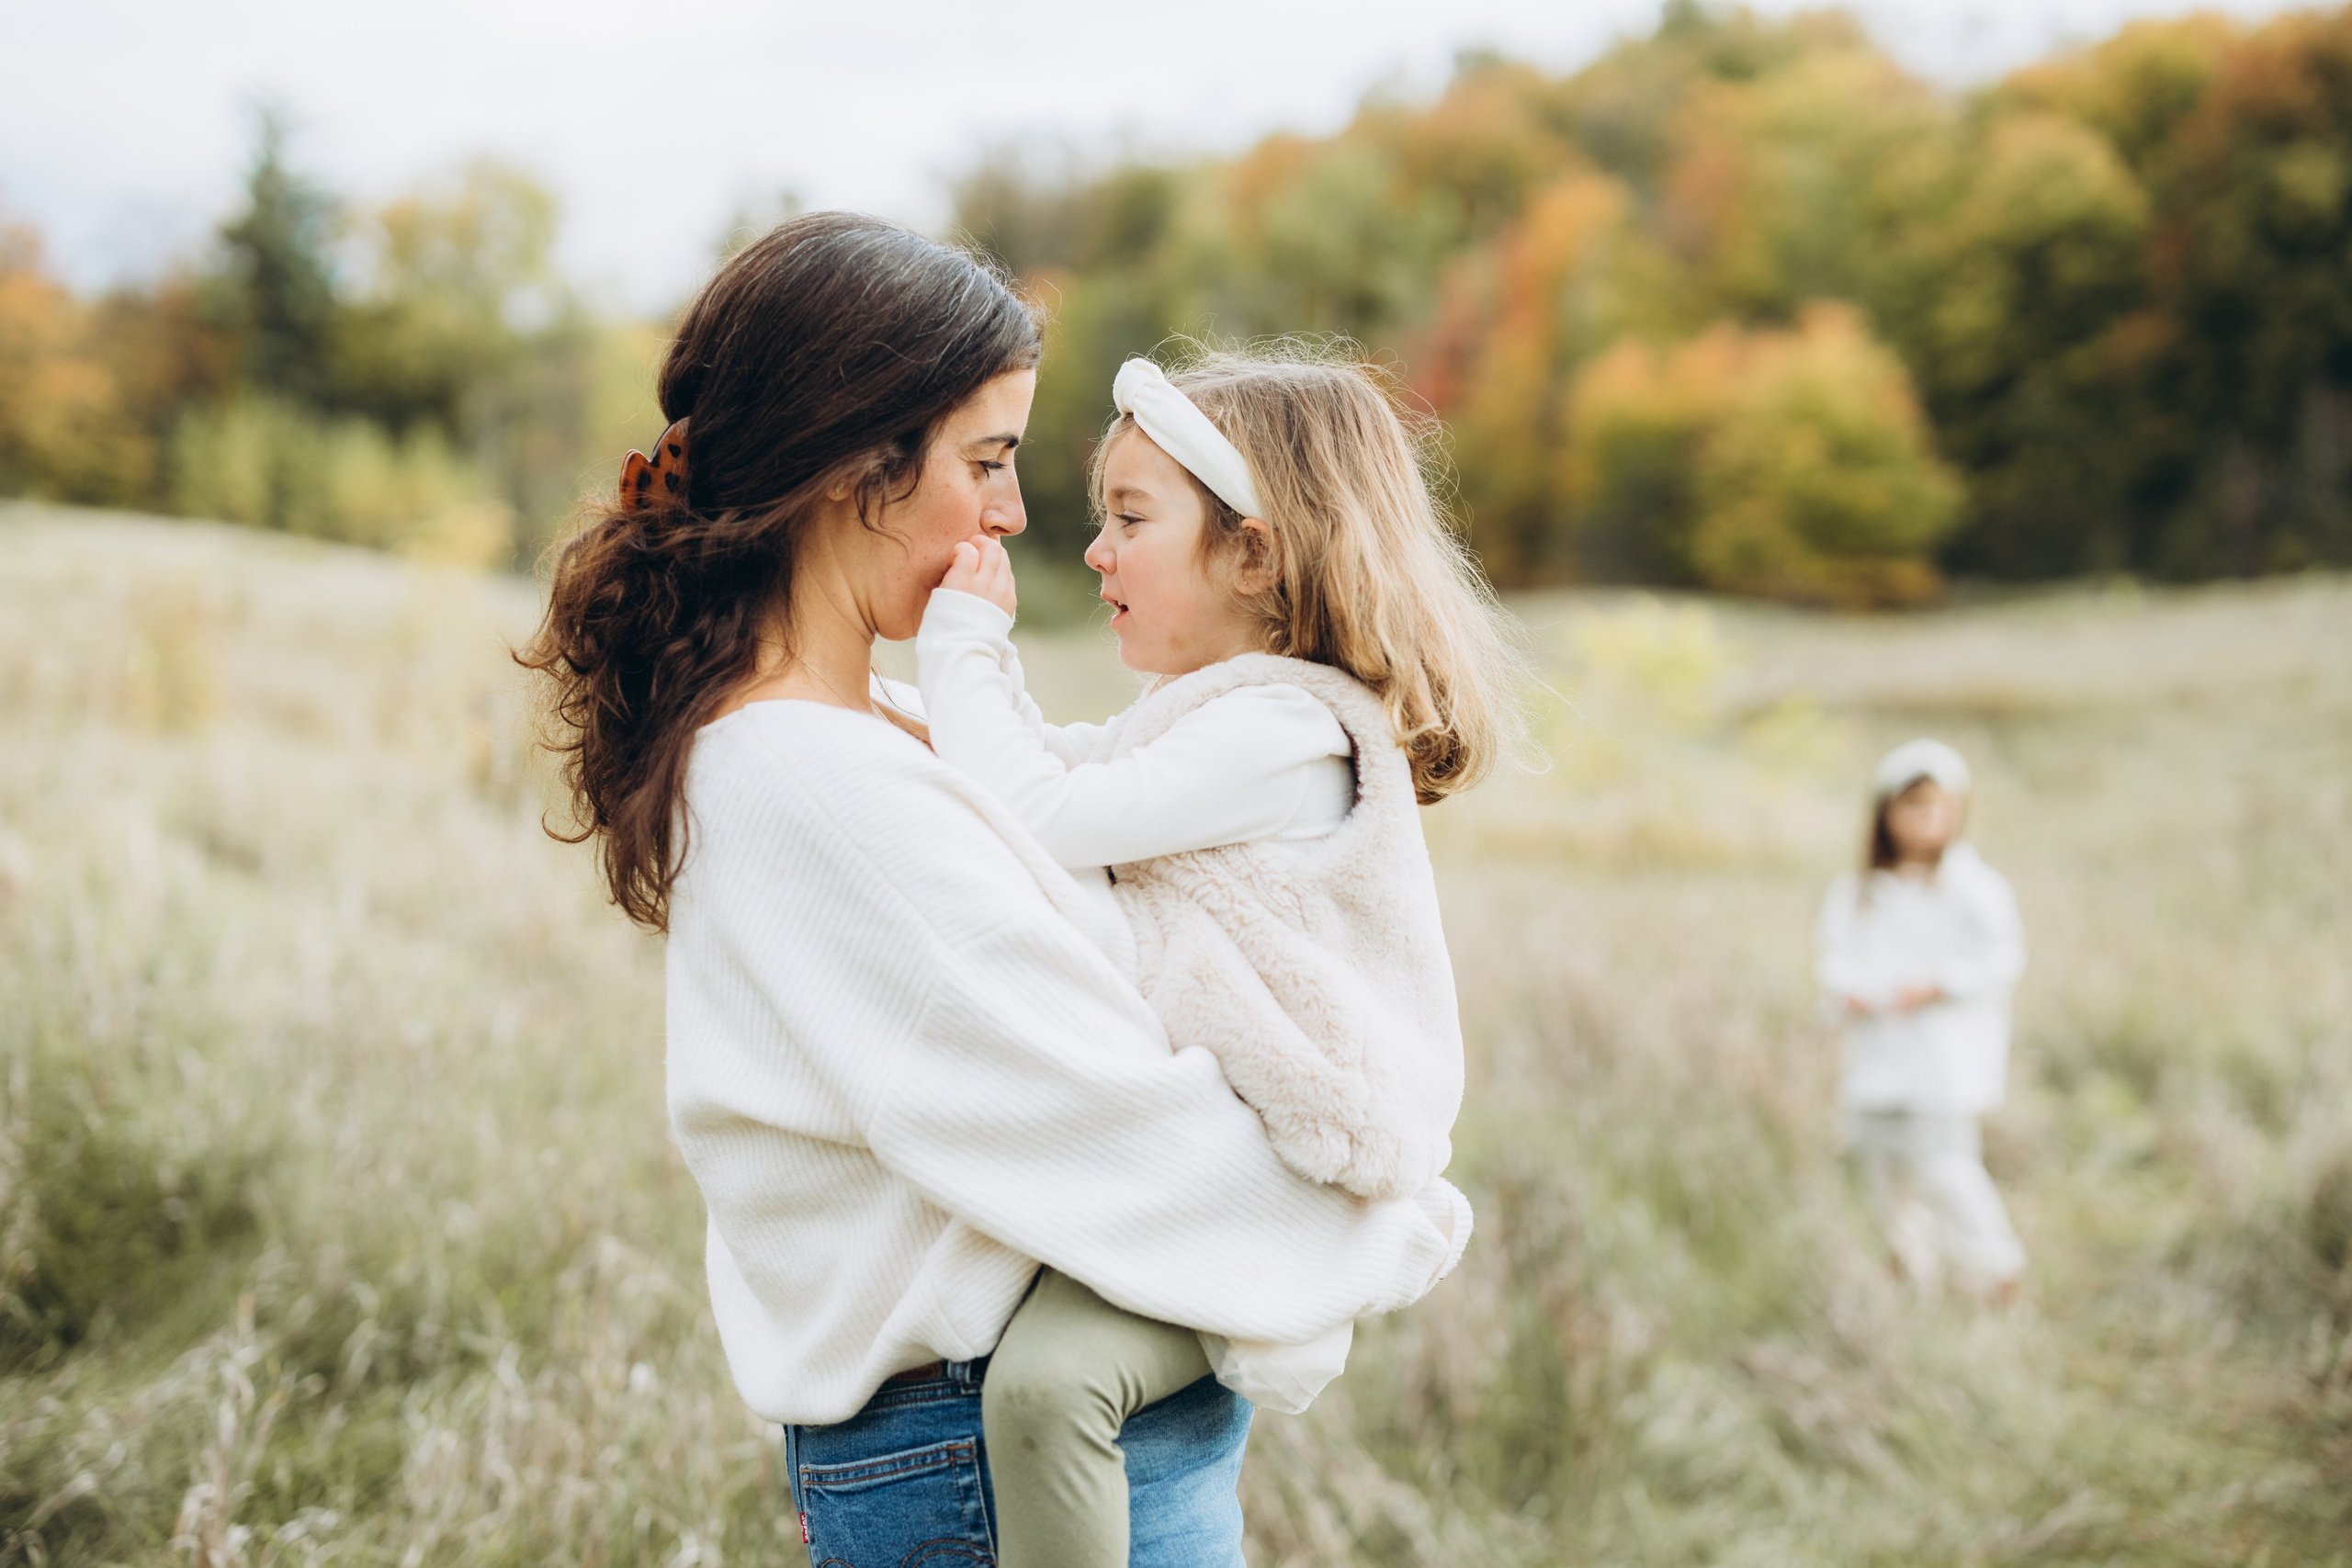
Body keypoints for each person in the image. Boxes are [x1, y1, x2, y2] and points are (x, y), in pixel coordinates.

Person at [520, 215, 1471, 1568]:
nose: (1019, 517)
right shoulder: (803, 779)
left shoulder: (883, 727)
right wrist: (1384, 1221)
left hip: (1065, 1435)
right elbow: (1111, 1122)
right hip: (981, 1468)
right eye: (987, 461)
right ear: (860, 469)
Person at [913, 349, 1519, 1568]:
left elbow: (1040, 806)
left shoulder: (1285, 730)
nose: (1096, 550)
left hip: (1289, 1178)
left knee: (1047, 1391)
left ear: (1256, 553)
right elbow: (1056, 764)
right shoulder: (1225, 715)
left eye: (1131, 517)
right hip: (1224, 1157)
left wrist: (963, 643)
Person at [1816, 738, 2028, 1302]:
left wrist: (1937, 985)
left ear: (1956, 811)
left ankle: (1994, 1268)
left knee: (1945, 1165)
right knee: (1886, 1169)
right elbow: (1835, 960)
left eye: (1934, 806)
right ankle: (1913, 1270)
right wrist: (1851, 994)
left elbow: (2001, 958)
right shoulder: (1859, 890)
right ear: (1884, 812)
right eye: (1909, 806)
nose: (1922, 819)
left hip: (1942, 1057)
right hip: (1877, 1055)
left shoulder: (1973, 887)